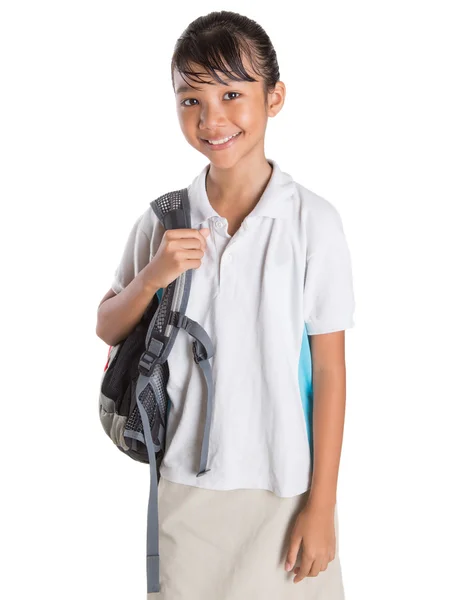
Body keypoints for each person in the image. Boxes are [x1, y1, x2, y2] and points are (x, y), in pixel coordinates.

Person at [96, 10, 355, 600]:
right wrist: (154, 276)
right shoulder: (164, 218)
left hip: (286, 488)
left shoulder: (313, 223)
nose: (212, 118)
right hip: (186, 488)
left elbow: (333, 374)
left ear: (275, 97)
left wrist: (322, 505)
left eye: (232, 93)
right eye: (191, 99)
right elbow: (107, 325)